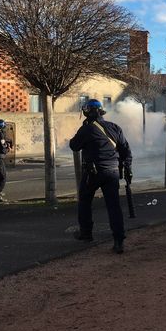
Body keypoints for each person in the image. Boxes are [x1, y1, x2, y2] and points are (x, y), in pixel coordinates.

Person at [69, 99, 133, 253]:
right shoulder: (114, 127)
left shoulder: (87, 129)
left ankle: (86, 234)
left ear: (88, 112)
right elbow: (126, 151)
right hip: (112, 172)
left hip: (93, 172)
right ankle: (119, 241)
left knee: (85, 200)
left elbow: (74, 146)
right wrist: (128, 168)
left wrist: (83, 131)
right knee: (114, 206)